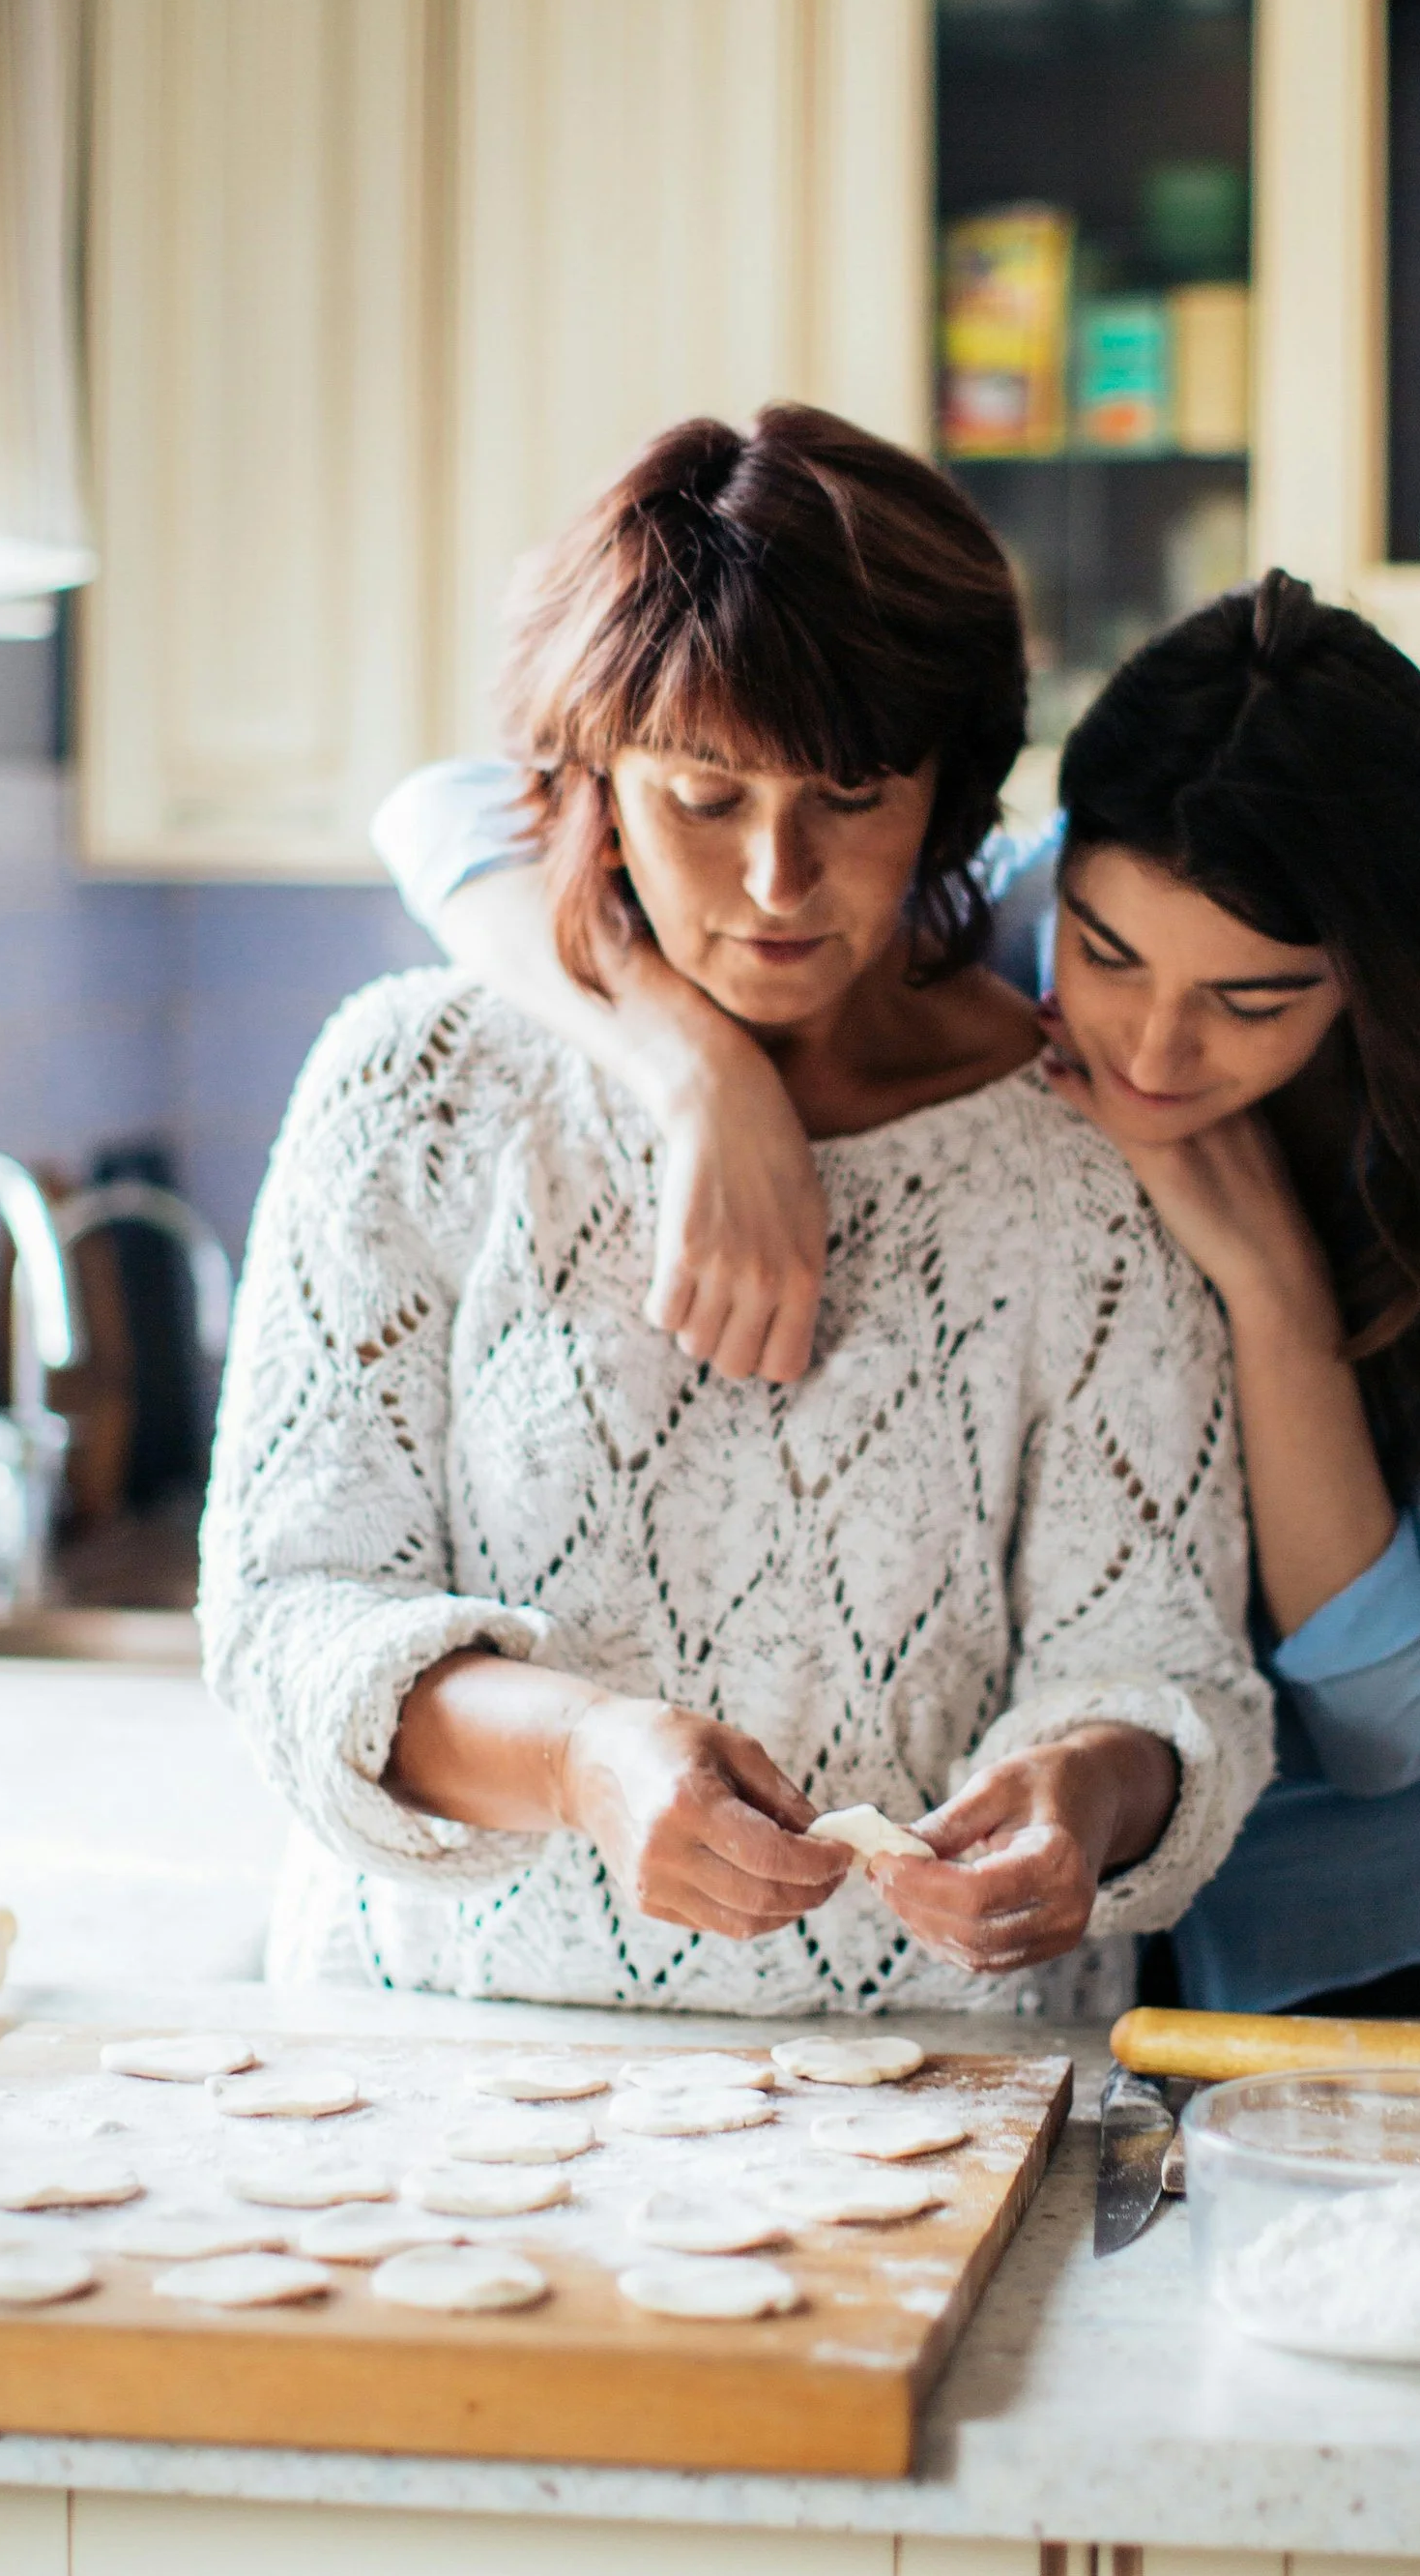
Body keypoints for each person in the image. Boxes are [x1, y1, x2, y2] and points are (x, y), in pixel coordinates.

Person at [373, 567, 1420, 2020]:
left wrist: (1273, 1292)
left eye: (1255, 1000)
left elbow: (1389, 1728)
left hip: (1399, 1929)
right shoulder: (993, 924)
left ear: (1370, 977)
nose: (1156, 1048)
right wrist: (697, 1077)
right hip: (1068, 1956)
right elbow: (451, 815)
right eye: (1106, 956)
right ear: (1061, 867)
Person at [201, 406, 1272, 2017]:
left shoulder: (1084, 1156)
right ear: (592, 782)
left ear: (951, 792)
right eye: (705, 797)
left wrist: (1086, 1795)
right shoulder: (417, 1089)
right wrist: (580, 1760)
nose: (780, 880)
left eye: (850, 794)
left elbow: (1169, 1664)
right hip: (443, 2086)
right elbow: (288, 1618)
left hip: (946, 2095)